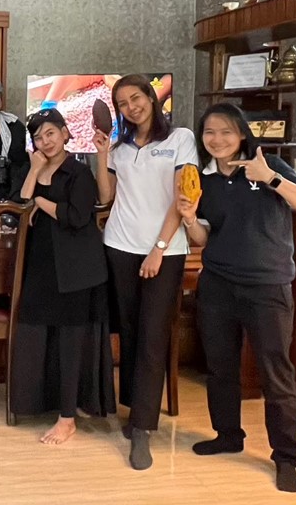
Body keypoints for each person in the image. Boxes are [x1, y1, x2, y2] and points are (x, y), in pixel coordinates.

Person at [177, 103, 296, 494]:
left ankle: (286, 457)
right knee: (220, 367)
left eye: (226, 131)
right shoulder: (203, 178)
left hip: (268, 286)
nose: (217, 139)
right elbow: (205, 238)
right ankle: (228, 435)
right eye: (209, 132)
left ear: (242, 133)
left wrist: (270, 178)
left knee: (276, 372)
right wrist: (189, 218)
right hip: (218, 284)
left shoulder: (268, 164)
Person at [92, 73, 197, 471]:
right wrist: (102, 154)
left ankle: (142, 430)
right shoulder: (120, 148)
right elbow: (107, 196)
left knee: (154, 337)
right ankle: (135, 410)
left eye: (135, 98)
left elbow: (182, 198)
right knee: (132, 333)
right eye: (122, 103)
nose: (131, 107)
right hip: (119, 246)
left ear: (151, 98)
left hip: (164, 252)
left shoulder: (180, 139)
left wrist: (159, 249)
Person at [10, 109, 115, 444]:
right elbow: (18, 208)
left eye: (51, 133)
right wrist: (34, 172)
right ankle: (46, 404)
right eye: (39, 137)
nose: (46, 141)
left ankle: (67, 418)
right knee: (38, 336)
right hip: (41, 265)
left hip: (76, 268)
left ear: (66, 133)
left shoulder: (78, 172)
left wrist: (41, 201)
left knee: (71, 342)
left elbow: (77, 216)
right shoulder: (33, 168)